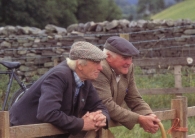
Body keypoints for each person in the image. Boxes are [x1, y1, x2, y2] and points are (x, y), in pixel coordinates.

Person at [9, 41, 110, 138]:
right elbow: (47, 113)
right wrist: (82, 124)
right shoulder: (59, 76)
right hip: (19, 132)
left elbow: (98, 105)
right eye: (96, 63)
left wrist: (102, 117)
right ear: (80, 65)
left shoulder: (84, 80)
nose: (101, 68)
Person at [91, 36, 160, 136]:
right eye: (125, 57)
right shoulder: (100, 69)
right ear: (108, 57)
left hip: (100, 124)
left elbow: (134, 98)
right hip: (82, 126)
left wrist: (148, 114)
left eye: (130, 57)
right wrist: (139, 119)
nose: (129, 62)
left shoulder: (127, 68)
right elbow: (105, 104)